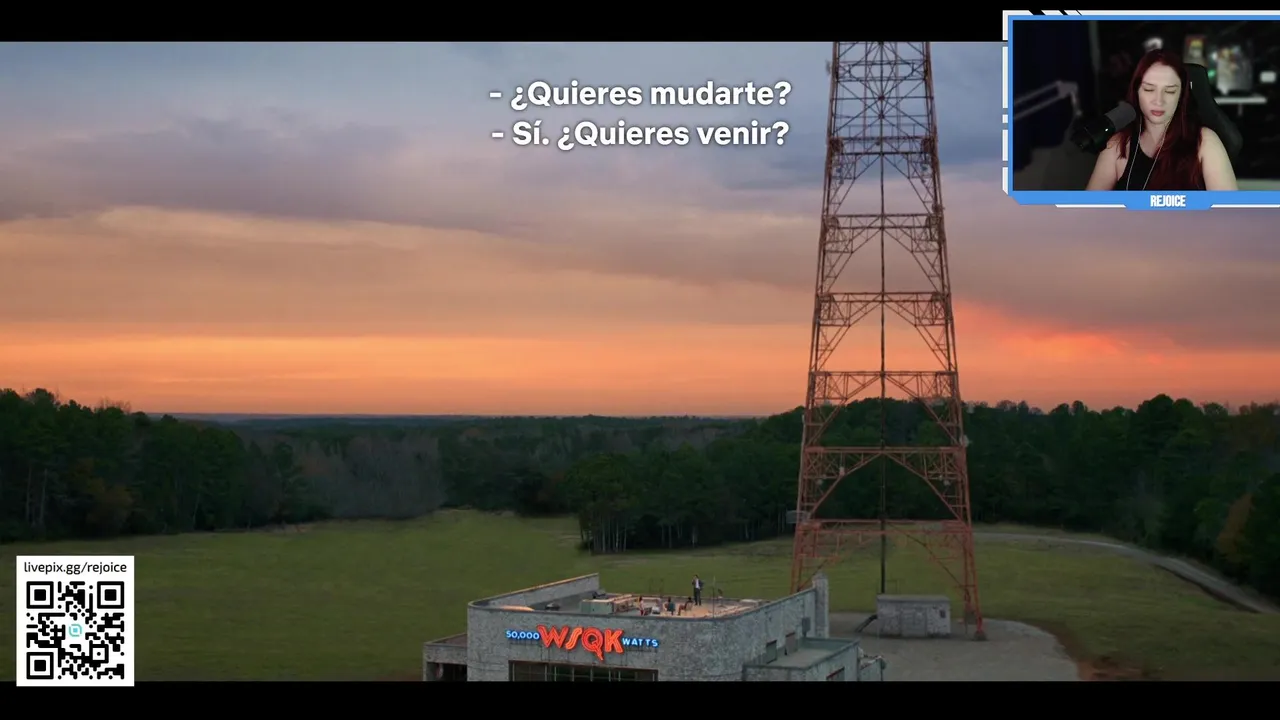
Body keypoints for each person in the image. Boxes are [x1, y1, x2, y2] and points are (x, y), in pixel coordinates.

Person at [1085, 49, 1237, 192]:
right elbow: (1088, 207)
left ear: (1181, 96)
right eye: (1149, 89)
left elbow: (1229, 209)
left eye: (1170, 91)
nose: (1159, 101)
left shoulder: (1205, 142)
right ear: (1136, 91)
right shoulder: (1117, 146)